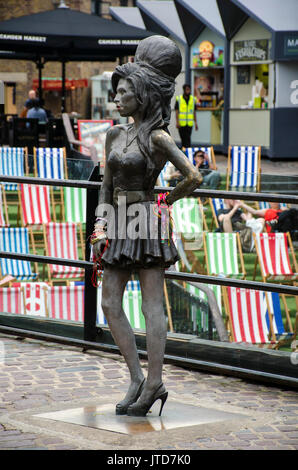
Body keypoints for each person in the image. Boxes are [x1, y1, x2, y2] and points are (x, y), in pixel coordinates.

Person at [91, 35, 202, 417]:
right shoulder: (113, 134)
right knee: (109, 302)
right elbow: (106, 186)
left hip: (146, 220)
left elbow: (193, 176)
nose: (117, 98)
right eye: (116, 92)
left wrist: (164, 202)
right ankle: (137, 377)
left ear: (142, 96)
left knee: (151, 304)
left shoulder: (157, 136)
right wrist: (99, 228)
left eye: (124, 92)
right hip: (119, 222)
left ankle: (154, 381)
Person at [175, 84, 198, 149]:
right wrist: (177, 122)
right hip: (181, 124)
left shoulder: (193, 99)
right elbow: (177, 111)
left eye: (189, 89)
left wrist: (196, 123)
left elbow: (194, 112)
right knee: (183, 139)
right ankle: (184, 152)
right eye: (187, 89)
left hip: (189, 123)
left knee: (188, 139)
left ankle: (188, 153)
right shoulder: (179, 99)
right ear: (184, 90)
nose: (188, 91)